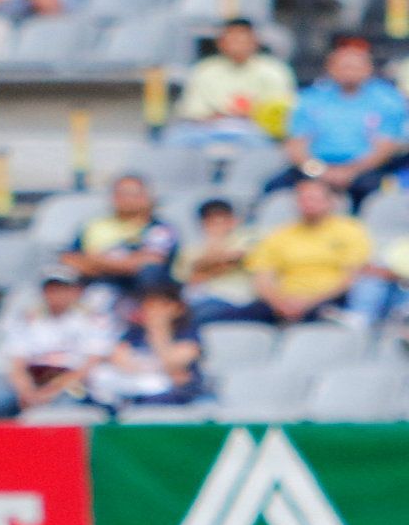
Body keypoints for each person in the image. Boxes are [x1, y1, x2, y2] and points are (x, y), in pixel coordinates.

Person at [265, 40, 406, 208]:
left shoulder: (387, 99)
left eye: (355, 67)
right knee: (274, 187)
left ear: (369, 69)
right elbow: (296, 143)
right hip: (314, 168)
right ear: (330, 68)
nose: (349, 72)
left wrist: (351, 172)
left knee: (377, 192)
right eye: (344, 66)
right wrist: (318, 170)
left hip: (366, 170)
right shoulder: (310, 98)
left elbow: (386, 146)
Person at [211, 178, 370, 327]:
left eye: (313, 198)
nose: (307, 204)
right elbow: (262, 278)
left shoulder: (350, 231)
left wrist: (308, 302)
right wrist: (280, 303)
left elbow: (350, 277)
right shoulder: (280, 235)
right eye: (302, 198)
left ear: (330, 202)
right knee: (220, 318)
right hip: (282, 301)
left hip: (328, 300)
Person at [0, 270, 118, 420]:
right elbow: (16, 363)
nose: (55, 294)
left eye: (61, 289)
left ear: (74, 291)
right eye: (51, 290)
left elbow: (90, 364)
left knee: (64, 410)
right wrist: (27, 392)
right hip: (34, 380)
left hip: (72, 383)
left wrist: (52, 391)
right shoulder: (27, 320)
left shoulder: (91, 320)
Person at [168, 18, 296, 150]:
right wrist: (219, 117)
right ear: (221, 43)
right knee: (176, 138)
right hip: (210, 129)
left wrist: (250, 114)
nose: (237, 45)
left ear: (255, 42)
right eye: (232, 40)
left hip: (255, 130)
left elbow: (281, 112)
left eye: (242, 40)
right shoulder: (204, 70)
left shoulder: (274, 70)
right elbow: (193, 111)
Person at [61, 174, 178, 306]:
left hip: (139, 294)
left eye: (132, 194)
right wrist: (126, 262)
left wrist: (94, 260)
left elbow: (149, 263)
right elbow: (70, 259)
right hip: (97, 287)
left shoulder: (159, 229)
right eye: (121, 193)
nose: (126, 199)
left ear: (146, 197)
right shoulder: (94, 226)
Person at [88, 283, 209, 410]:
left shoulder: (187, 333)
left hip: (175, 392)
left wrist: (159, 330)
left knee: (160, 386)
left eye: (161, 306)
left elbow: (173, 362)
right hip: (138, 381)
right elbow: (119, 360)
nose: (153, 311)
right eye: (149, 305)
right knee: (102, 376)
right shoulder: (134, 333)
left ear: (178, 308)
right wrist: (151, 368)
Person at [176, 199, 259, 326]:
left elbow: (237, 258)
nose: (218, 226)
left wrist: (205, 266)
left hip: (239, 300)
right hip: (202, 299)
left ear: (233, 220)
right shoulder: (190, 250)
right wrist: (219, 261)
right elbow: (189, 279)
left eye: (223, 220)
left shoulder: (248, 237)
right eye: (212, 222)